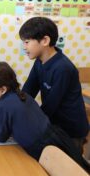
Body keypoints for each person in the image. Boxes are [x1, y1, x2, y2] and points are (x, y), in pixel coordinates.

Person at [0, 62, 90, 172]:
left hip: (42, 148)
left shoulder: (3, 106)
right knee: (78, 166)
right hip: (57, 137)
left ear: (2, 89)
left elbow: (0, 136)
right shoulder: (22, 95)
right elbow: (8, 124)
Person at [19, 17, 88, 150]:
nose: (24, 47)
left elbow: (50, 105)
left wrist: (28, 122)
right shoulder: (39, 61)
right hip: (55, 125)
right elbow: (28, 91)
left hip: (70, 130)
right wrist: (14, 108)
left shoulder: (63, 68)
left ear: (45, 40)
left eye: (27, 42)